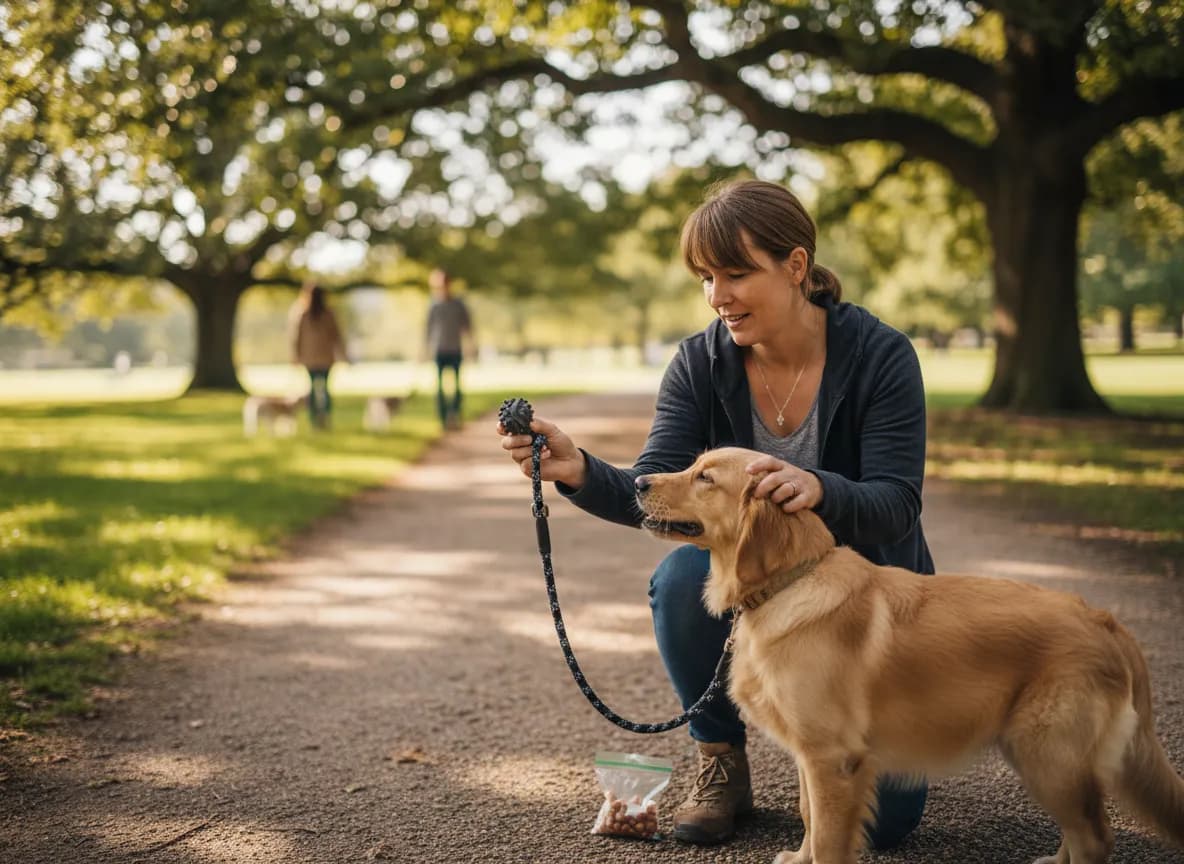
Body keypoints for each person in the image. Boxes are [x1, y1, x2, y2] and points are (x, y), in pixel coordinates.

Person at [497, 179, 933, 849]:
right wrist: (578, 469)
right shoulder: (700, 362)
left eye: (736, 273)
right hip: (759, 585)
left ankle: (833, 747)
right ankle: (720, 760)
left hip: (865, 602)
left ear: (795, 268)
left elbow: (896, 505)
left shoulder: (880, 355)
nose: (717, 295)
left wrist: (818, 487)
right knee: (678, 579)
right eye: (706, 277)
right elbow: (658, 492)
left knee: (888, 827)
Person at [289, 281, 347, 430]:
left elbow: (296, 337)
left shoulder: (303, 313)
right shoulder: (327, 313)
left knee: (313, 389)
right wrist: (343, 354)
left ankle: (315, 420)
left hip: (310, 358)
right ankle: (325, 418)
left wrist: (296, 356)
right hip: (326, 358)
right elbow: (337, 336)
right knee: (325, 389)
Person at [424, 268, 474, 430]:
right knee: (439, 388)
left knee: (458, 387)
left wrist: (471, 346)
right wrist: (424, 350)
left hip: (455, 349)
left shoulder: (458, 304)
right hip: (439, 350)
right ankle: (443, 419)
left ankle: (455, 415)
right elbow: (428, 329)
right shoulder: (433, 304)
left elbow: (467, 327)